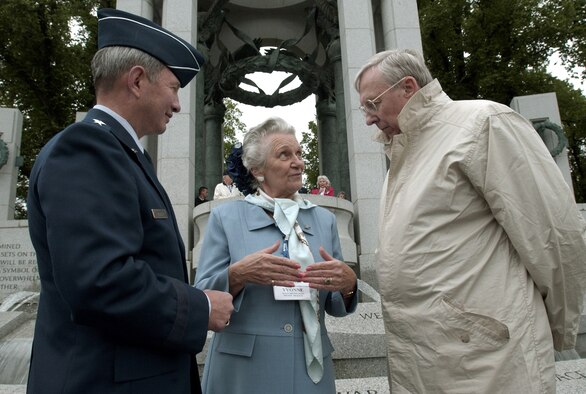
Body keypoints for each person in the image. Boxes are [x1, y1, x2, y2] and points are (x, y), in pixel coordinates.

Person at [26, 8, 234, 394]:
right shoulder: (87, 148)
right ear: (137, 81)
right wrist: (200, 307)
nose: (177, 104)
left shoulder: (122, 153)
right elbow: (100, 280)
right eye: (173, 88)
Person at [354, 48, 586, 393]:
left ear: (408, 87)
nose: (368, 119)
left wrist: (559, 327)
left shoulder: (483, 123)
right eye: (364, 108)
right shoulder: (404, 154)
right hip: (432, 355)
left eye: (373, 104)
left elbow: (551, 233)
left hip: (487, 355)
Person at [195, 117, 358, 393]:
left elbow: (336, 305)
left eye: (299, 153)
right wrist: (238, 275)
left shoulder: (323, 220)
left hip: (310, 374)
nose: (298, 162)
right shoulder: (226, 217)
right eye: (285, 154)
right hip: (244, 372)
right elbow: (202, 295)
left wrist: (349, 285)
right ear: (257, 170)